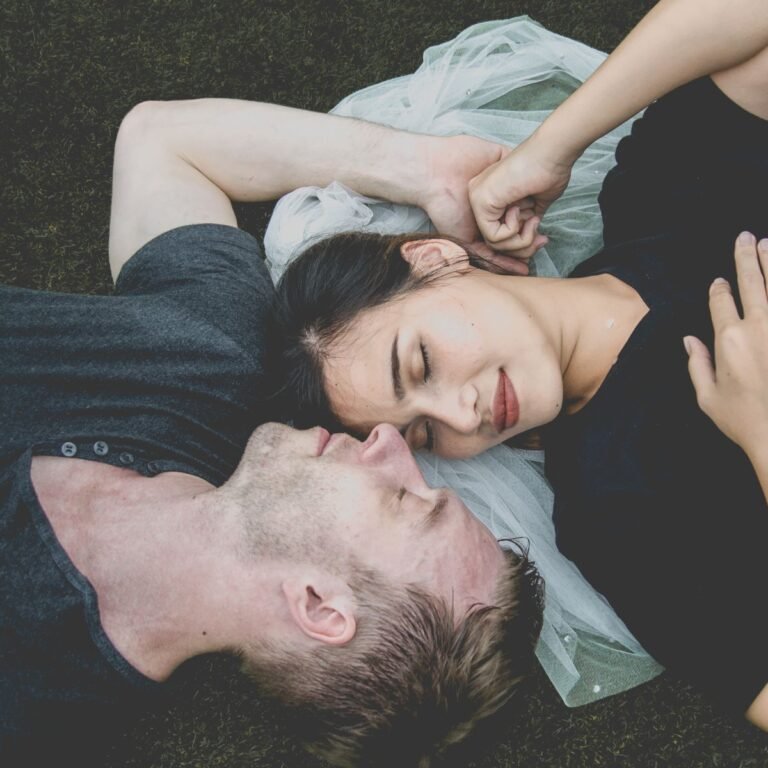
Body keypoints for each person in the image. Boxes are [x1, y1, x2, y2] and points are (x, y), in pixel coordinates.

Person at [0, 97, 545, 766]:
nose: (390, 445)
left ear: (319, 605)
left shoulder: (24, 699)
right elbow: (162, 140)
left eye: (404, 499)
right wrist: (425, 167)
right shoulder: (215, 366)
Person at [273, 0, 768, 728]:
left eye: (422, 363)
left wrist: (550, 148)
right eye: (422, 435)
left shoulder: (660, 191)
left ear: (437, 258)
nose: (460, 415)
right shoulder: (616, 508)